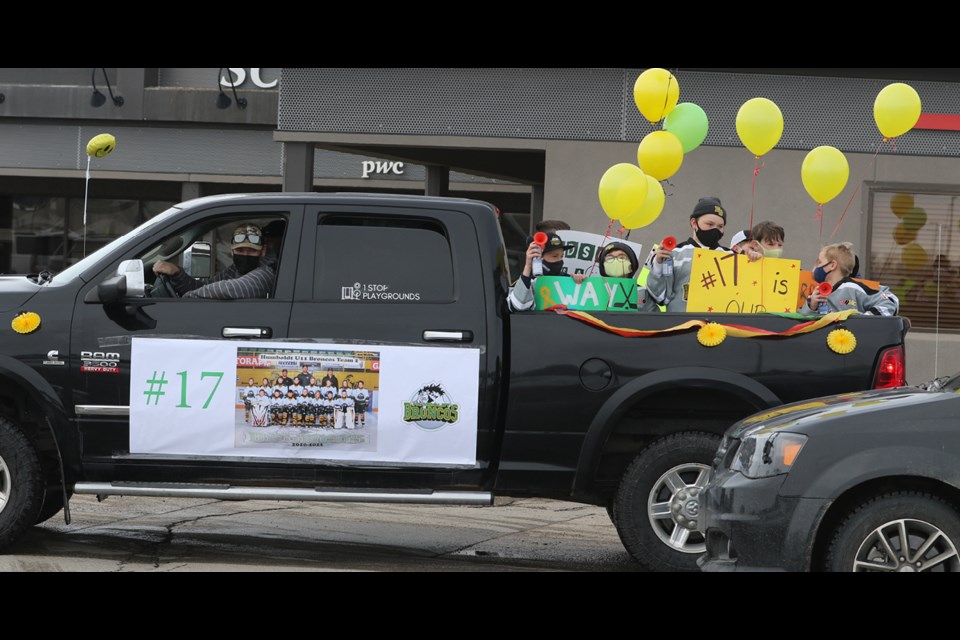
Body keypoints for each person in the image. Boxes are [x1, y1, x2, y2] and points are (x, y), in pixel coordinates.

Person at [644, 196, 735, 312]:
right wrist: (657, 265)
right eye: (710, 224)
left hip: (720, 326)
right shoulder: (674, 254)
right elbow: (661, 297)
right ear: (694, 223)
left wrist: (755, 259)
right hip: (683, 326)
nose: (715, 230)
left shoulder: (731, 256)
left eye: (720, 226)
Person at [152, 222, 277, 299]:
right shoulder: (234, 270)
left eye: (251, 251)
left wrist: (186, 299)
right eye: (240, 250)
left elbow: (229, 289)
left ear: (263, 251)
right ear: (232, 250)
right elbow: (205, 286)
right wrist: (177, 273)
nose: (245, 255)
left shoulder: (267, 273)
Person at [802, 242, 899, 316]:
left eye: (819, 262)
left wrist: (865, 320)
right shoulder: (817, 294)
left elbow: (891, 301)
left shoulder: (852, 288)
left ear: (832, 265)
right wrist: (812, 306)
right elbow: (803, 322)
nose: (815, 268)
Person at [507, 231, 587, 312]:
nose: (559, 260)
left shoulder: (567, 279)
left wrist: (580, 282)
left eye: (561, 256)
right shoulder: (528, 281)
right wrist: (528, 266)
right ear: (539, 257)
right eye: (555, 256)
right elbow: (518, 306)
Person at [598, 242, 661, 312]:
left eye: (621, 257)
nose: (615, 261)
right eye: (609, 258)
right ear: (603, 266)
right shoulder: (593, 290)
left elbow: (656, 320)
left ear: (631, 266)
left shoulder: (641, 293)